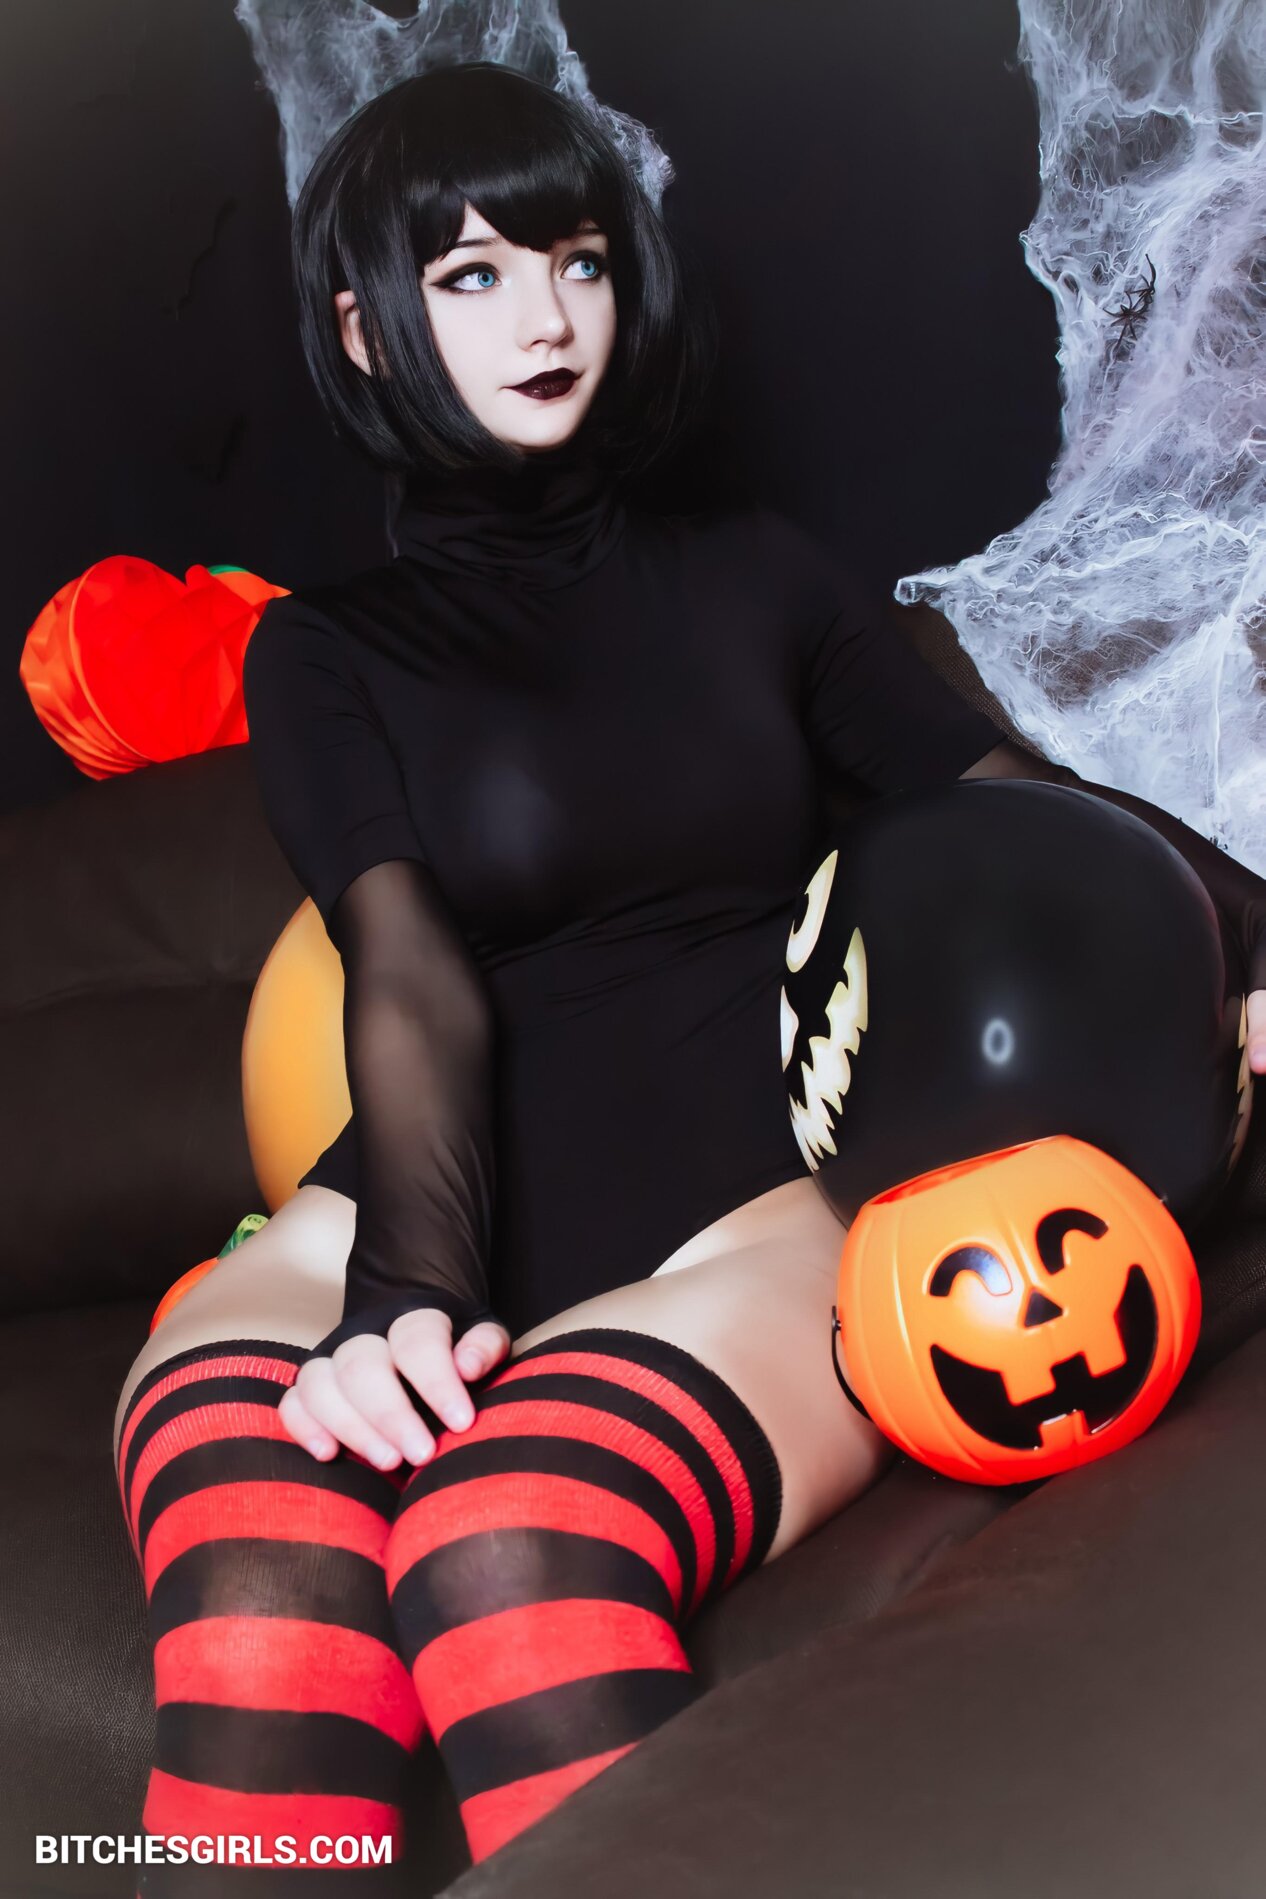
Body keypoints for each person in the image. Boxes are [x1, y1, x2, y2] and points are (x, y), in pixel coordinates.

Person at [111, 60, 1266, 1891]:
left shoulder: (755, 578)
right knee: (261, 1561)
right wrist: (404, 1296)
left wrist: (1245, 935)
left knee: (508, 1546)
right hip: (405, 1208)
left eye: (572, 260)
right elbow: (403, 967)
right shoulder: (327, 656)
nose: (545, 317)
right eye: (471, 275)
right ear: (365, 325)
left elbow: (1009, 808)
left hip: (743, 1198)